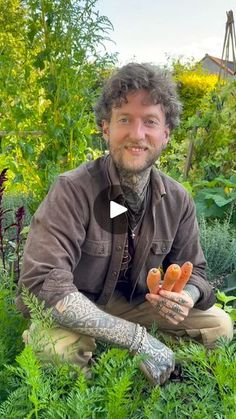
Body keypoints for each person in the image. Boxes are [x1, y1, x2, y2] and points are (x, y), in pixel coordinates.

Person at [16, 63, 233, 385]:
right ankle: (102, 388)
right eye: (124, 120)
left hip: (138, 304)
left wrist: (185, 295)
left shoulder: (177, 199)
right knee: (54, 351)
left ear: (166, 134)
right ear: (106, 128)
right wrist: (137, 339)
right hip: (78, 306)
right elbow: (44, 283)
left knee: (219, 325)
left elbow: (197, 272)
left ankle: (152, 376)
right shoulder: (73, 189)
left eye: (150, 122)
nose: (137, 134)